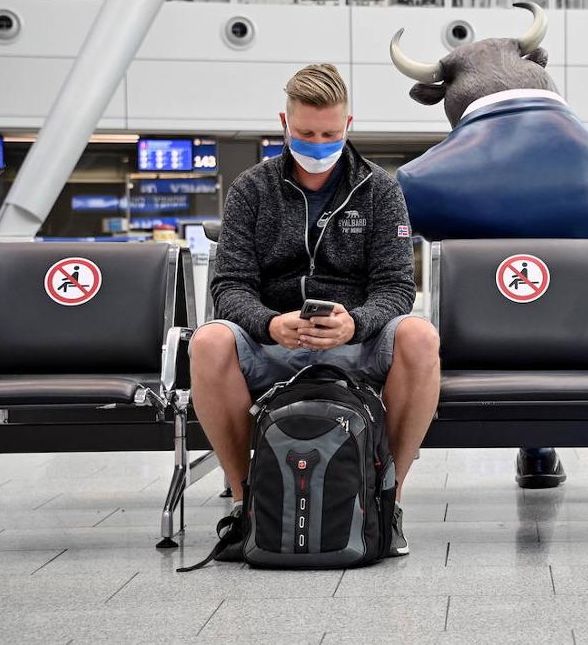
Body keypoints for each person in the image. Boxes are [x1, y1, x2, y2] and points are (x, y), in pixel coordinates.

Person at [189, 64, 441, 559]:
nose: (317, 142)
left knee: (419, 336)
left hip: (353, 343)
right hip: (272, 342)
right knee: (209, 341)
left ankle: (384, 502)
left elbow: (395, 288)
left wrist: (355, 323)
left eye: (329, 133)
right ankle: (250, 509)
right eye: (305, 132)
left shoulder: (379, 190)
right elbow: (230, 287)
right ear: (285, 122)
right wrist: (268, 323)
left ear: (348, 126)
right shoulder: (250, 190)